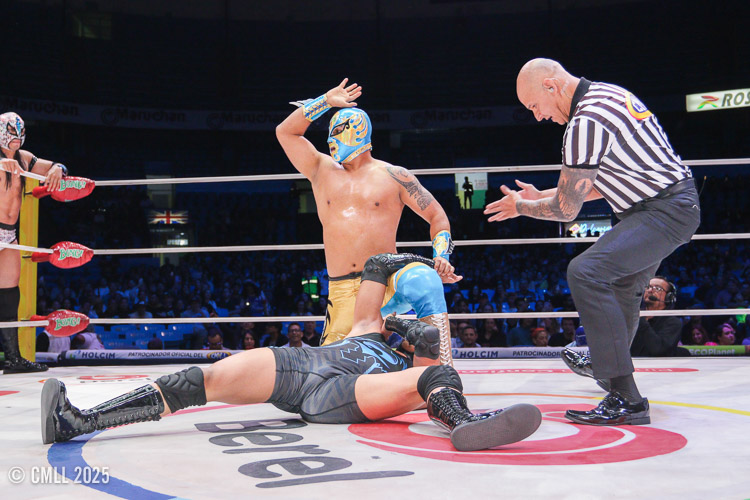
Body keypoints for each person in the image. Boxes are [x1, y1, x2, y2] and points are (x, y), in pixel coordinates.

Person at [41, 253, 542, 452]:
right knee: (199, 378)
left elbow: (437, 362)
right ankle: (78, 421)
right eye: (406, 322)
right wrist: (425, 262)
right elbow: (376, 263)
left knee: (437, 381)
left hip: (346, 392)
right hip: (301, 367)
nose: (414, 331)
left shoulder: (420, 368)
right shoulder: (368, 325)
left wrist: (421, 328)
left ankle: (464, 424)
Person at [485, 59, 700, 425]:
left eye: (534, 106)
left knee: (586, 272)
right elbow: (605, 181)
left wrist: (522, 207)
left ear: (551, 86)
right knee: (624, 286)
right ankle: (608, 368)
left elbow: (566, 209)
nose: (538, 116)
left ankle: (625, 396)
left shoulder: (585, 122)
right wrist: (542, 194)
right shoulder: (607, 94)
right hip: (665, 204)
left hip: (663, 210)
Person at [276, 79, 458, 366]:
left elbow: (437, 216)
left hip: (386, 282)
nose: (330, 139)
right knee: (331, 373)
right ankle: (396, 347)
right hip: (341, 290)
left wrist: (441, 255)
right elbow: (285, 132)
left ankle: (443, 371)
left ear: (357, 131)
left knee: (426, 279)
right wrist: (326, 101)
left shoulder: (394, 176)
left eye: (337, 131)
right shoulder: (321, 169)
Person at [0, 112, 66, 374]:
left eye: (20, 132)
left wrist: (58, 169)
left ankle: (12, 358)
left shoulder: (24, 158)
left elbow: (55, 165)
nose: (17, 137)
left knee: (9, 295)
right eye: (11, 132)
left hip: (8, 234)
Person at [630, 277, 687, 356]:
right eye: (648, 287)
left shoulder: (673, 323)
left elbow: (658, 350)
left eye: (657, 288)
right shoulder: (633, 319)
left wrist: (641, 320)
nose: (650, 290)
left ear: (668, 297)